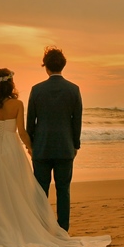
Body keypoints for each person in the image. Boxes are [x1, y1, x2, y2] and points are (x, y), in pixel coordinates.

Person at [0, 68, 110, 247]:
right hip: (12, 151)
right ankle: (28, 228)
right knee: (17, 191)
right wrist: (31, 148)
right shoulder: (17, 104)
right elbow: (22, 132)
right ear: (10, 84)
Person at [27, 46, 82, 232]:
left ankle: (42, 229)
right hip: (65, 147)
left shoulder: (36, 90)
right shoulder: (73, 90)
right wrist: (75, 145)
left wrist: (31, 145)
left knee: (41, 192)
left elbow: (30, 123)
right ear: (63, 66)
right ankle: (63, 230)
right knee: (63, 191)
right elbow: (77, 122)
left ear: (46, 67)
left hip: (41, 148)